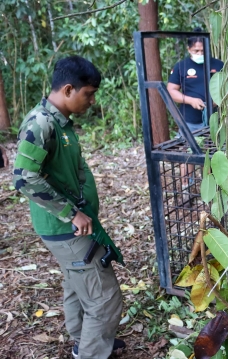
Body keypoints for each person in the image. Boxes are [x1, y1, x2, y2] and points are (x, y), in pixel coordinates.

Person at [12, 56, 125, 359]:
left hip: (70, 227)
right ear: (67, 89)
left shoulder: (59, 123)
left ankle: (82, 342)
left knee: (77, 285)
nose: (92, 100)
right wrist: (71, 213)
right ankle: (90, 351)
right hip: (65, 229)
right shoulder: (41, 123)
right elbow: (23, 178)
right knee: (105, 300)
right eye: (88, 93)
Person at [167, 28, 224, 187]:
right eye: (195, 50)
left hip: (213, 120)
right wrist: (190, 100)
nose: (199, 53)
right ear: (189, 49)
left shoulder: (218, 65)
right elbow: (172, 90)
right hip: (189, 120)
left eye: (202, 50)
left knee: (211, 153)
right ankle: (187, 186)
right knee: (189, 153)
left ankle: (211, 187)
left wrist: (217, 100)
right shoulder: (181, 66)